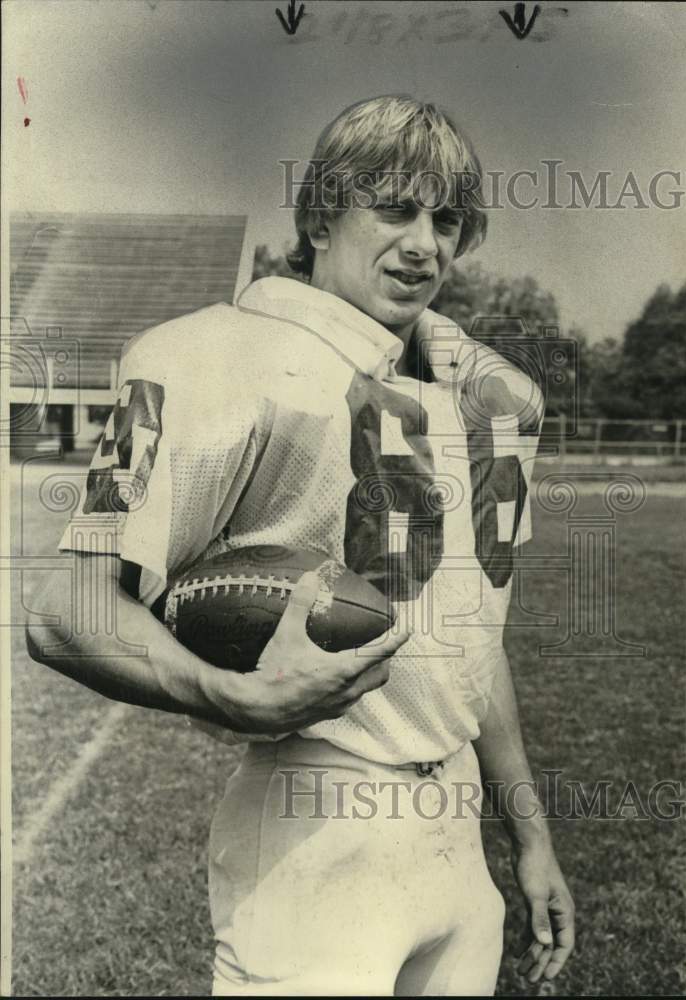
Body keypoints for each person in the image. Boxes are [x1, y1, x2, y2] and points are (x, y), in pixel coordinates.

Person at [27, 94, 574, 996]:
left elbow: (473, 639)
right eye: (394, 208)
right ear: (320, 213)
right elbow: (66, 609)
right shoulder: (197, 356)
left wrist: (530, 835)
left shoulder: (469, 396)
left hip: (454, 838)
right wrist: (228, 694)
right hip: (313, 827)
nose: (424, 243)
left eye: (445, 221)